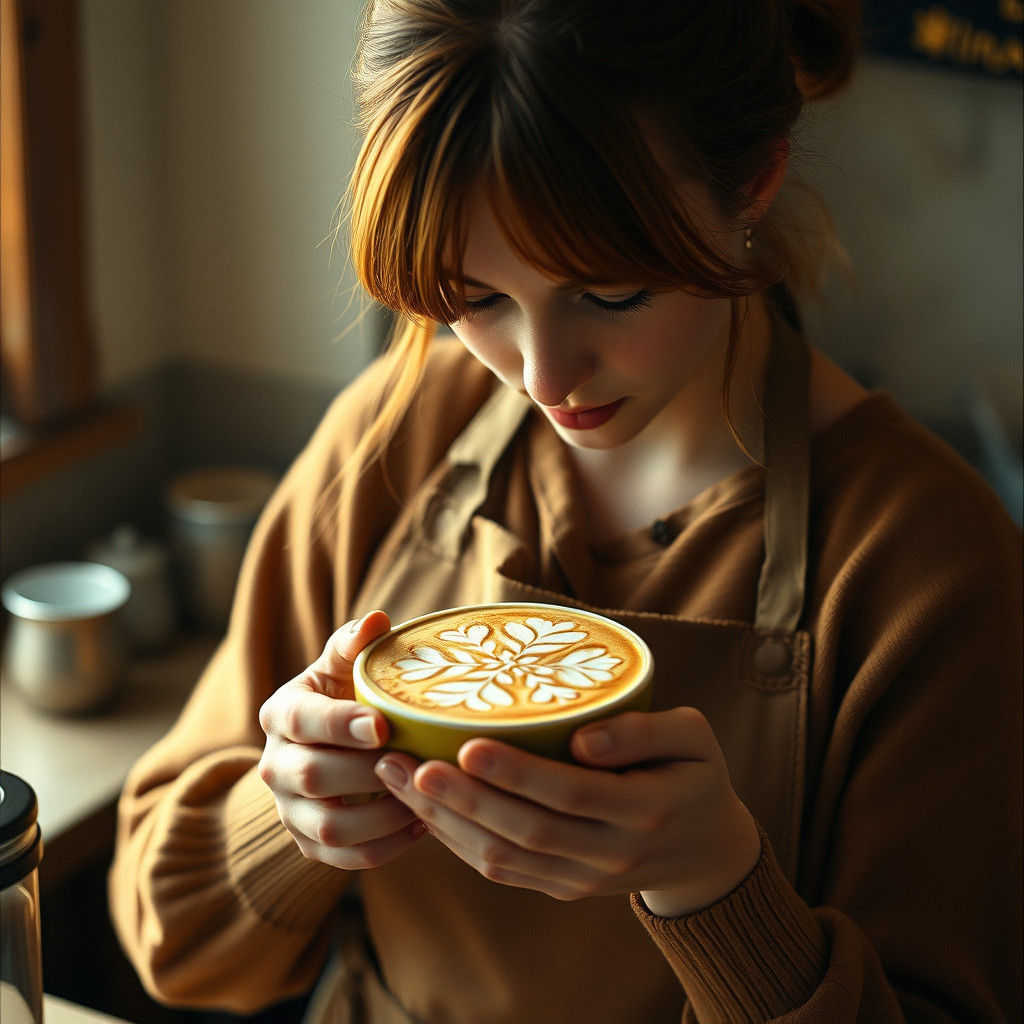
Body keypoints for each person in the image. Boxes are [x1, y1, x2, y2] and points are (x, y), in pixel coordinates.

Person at [108, 2, 1023, 1022]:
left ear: (753, 180)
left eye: (611, 292)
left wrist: (717, 886)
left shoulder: (929, 561)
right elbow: (170, 938)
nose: (542, 374)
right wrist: (289, 816)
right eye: (473, 298)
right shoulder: (393, 436)